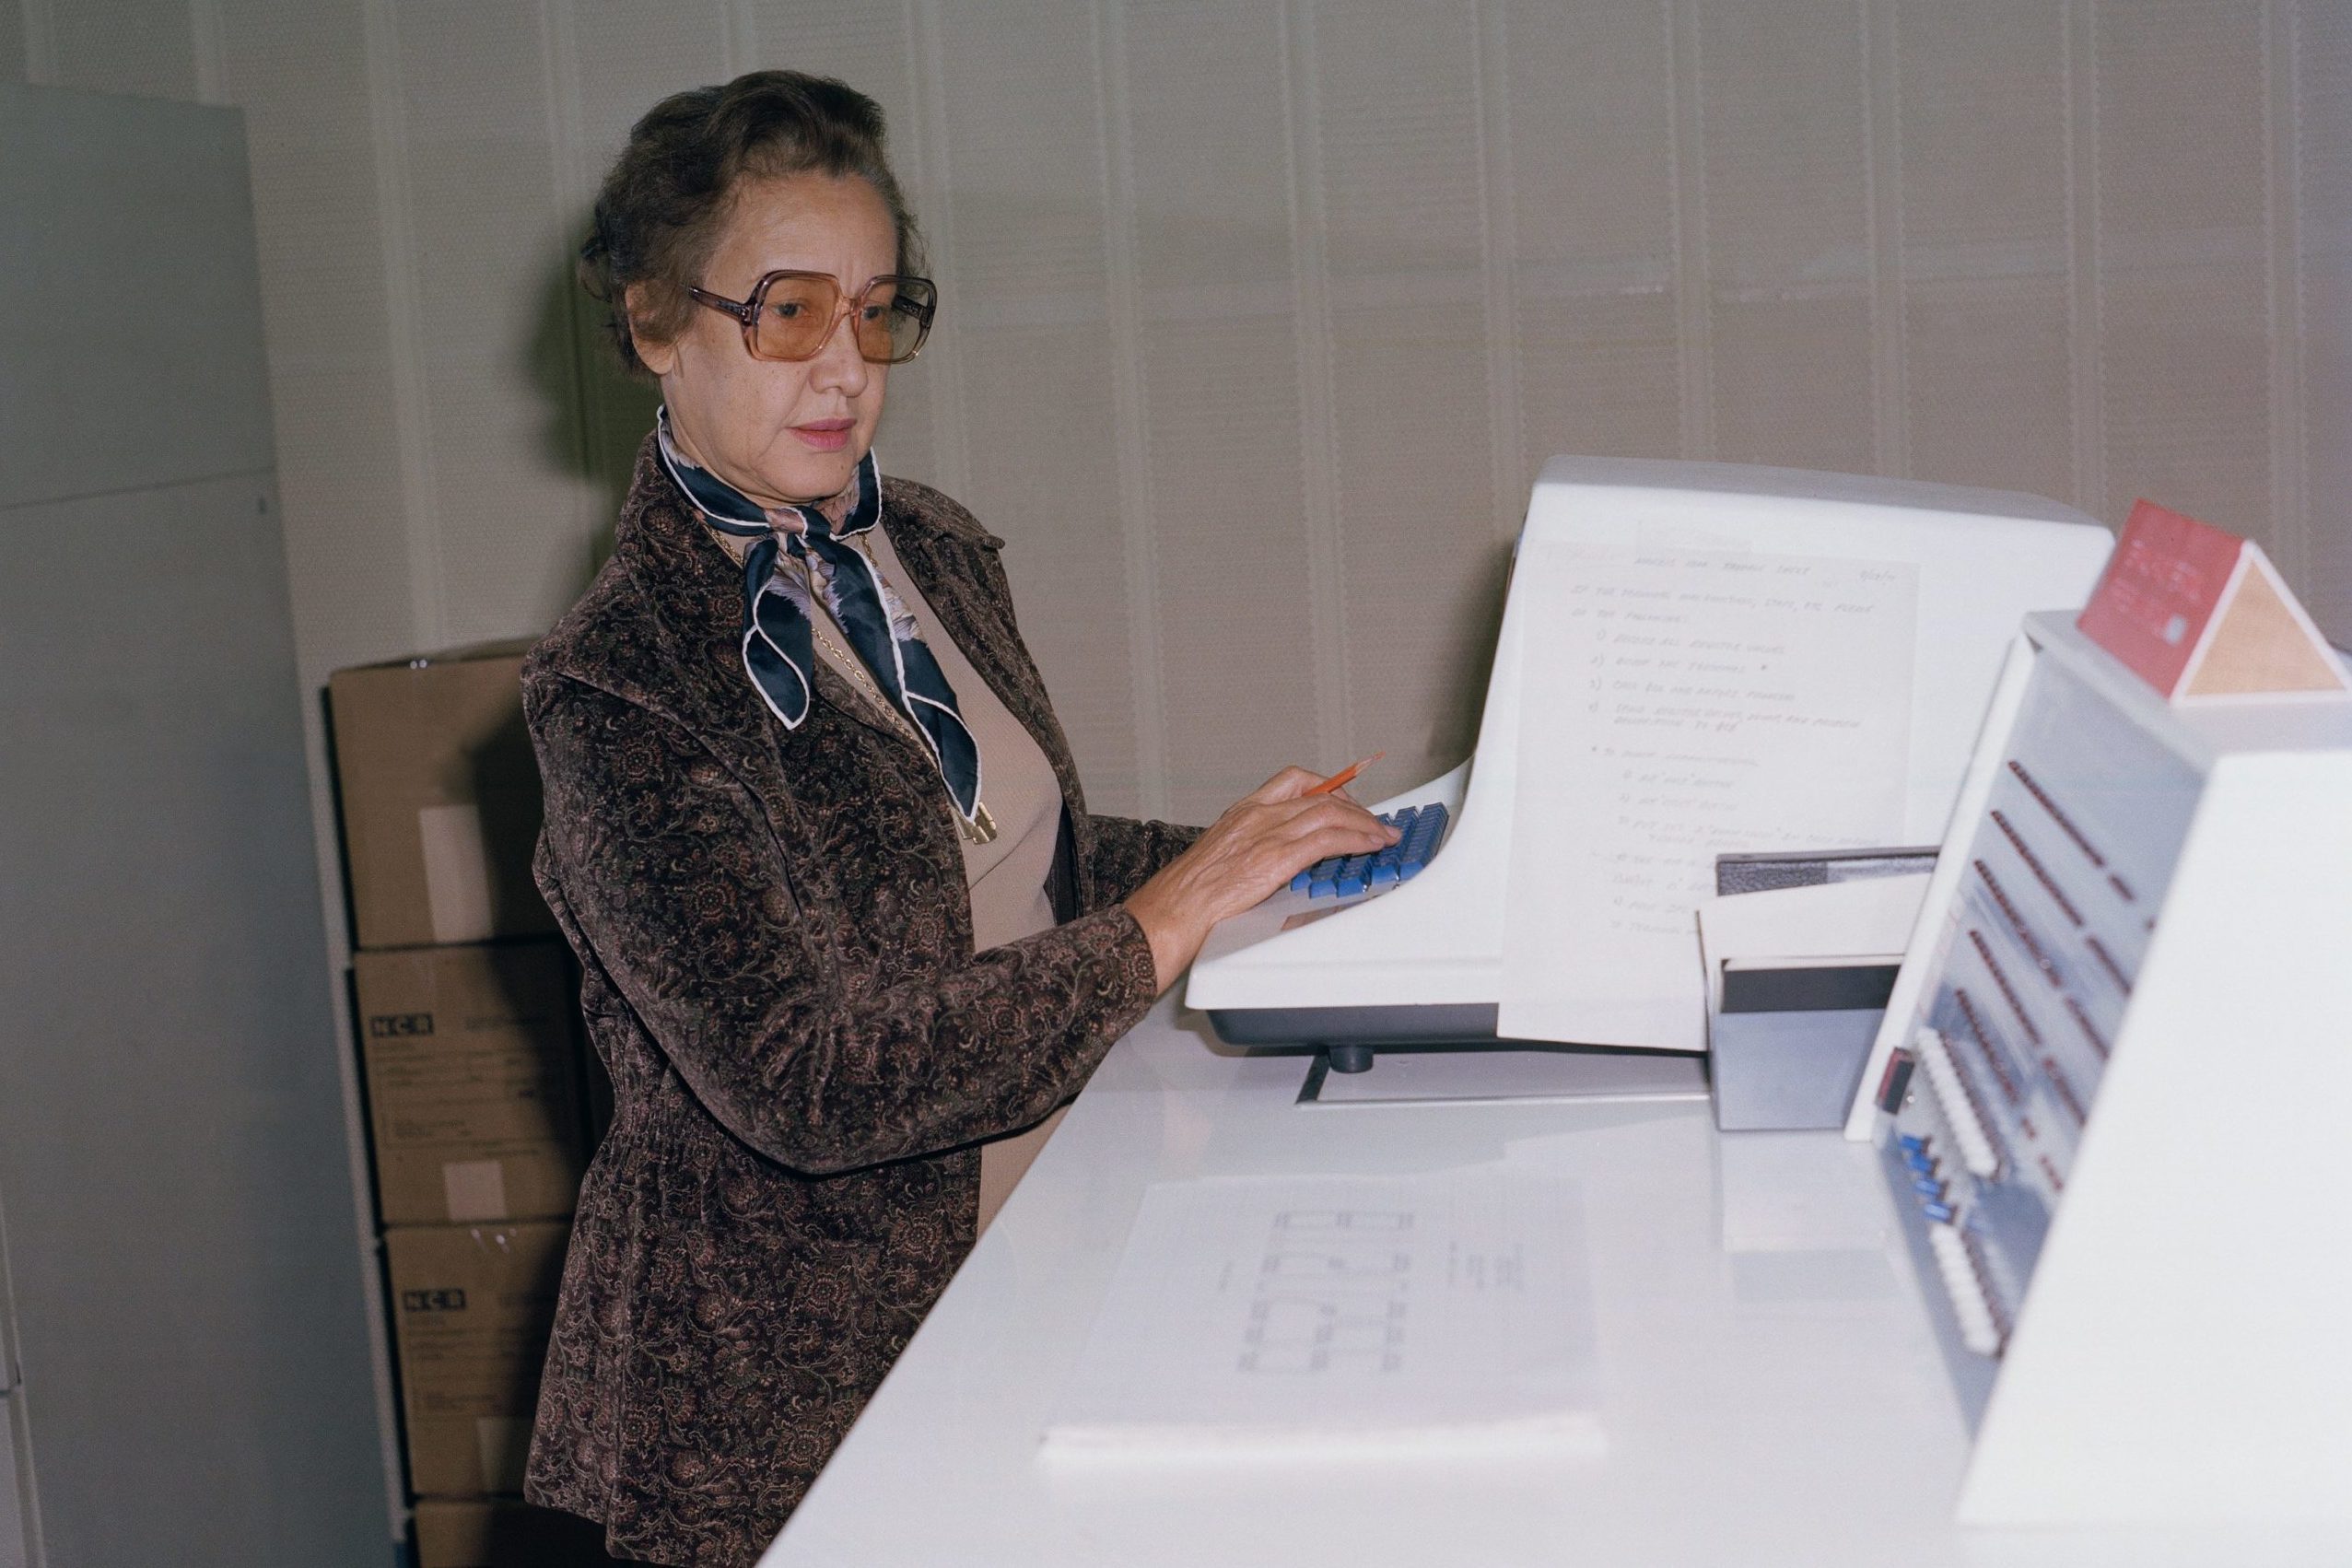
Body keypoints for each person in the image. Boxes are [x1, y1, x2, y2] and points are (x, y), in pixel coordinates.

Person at [521, 70, 1395, 1566]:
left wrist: (1270, 861)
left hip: (1030, 1257)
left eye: (877, 310)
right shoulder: (615, 689)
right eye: (786, 311)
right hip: (780, 1401)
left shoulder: (923, 542)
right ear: (657, 323)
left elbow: (1011, 868)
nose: (844, 366)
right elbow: (808, 1080)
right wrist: (1172, 916)